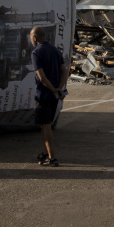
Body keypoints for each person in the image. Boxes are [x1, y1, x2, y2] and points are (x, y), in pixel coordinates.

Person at [30, 26, 68, 166]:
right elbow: (64, 71)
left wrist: (52, 89)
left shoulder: (36, 53)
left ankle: (52, 158)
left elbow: (41, 77)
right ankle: (45, 153)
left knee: (45, 126)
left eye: (30, 37)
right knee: (47, 125)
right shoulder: (55, 50)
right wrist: (59, 89)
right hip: (53, 97)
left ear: (35, 38)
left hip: (43, 95)